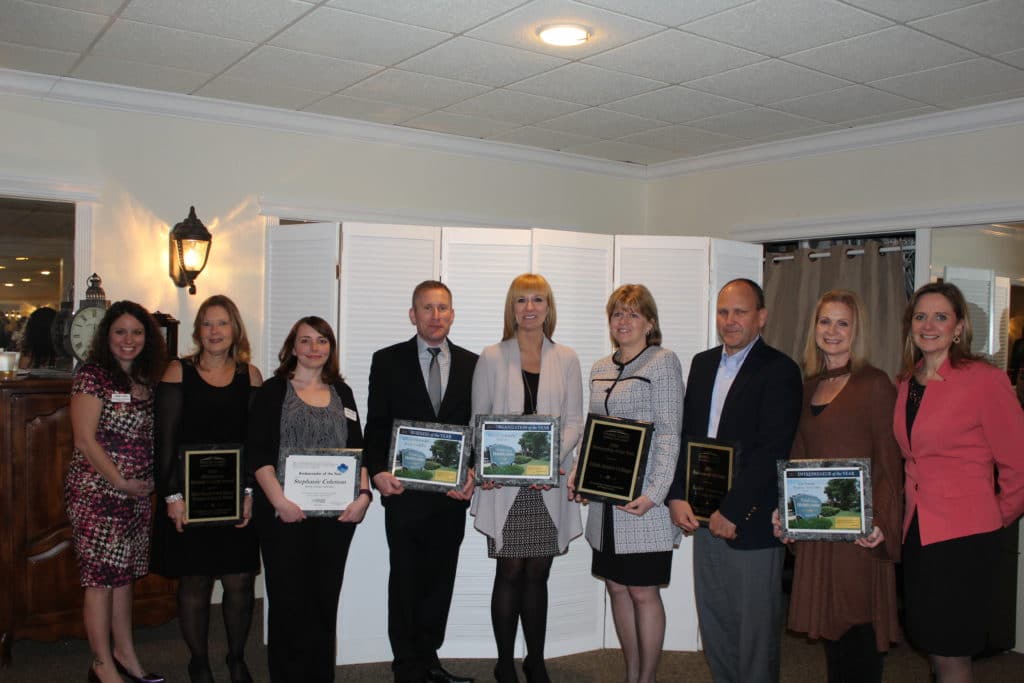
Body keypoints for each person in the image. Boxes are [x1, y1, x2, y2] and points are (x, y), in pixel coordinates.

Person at [667, 278, 802, 683]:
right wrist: (677, 495)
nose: (730, 320)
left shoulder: (780, 370)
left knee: (754, 632)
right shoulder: (703, 364)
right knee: (715, 621)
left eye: (740, 312)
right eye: (723, 312)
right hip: (701, 516)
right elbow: (686, 435)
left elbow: (772, 449)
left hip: (750, 520)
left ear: (761, 317)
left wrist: (732, 510)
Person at [893, 282, 1024, 683]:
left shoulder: (983, 379)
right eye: (920, 317)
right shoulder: (907, 382)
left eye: (940, 317)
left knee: (952, 650)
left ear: (959, 327)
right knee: (930, 641)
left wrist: (993, 517)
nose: (928, 325)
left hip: (965, 538)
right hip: (918, 530)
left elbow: (1019, 463)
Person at [770, 290, 902, 682]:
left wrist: (880, 522)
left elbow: (889, 464)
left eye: (843, 323)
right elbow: (798, 459)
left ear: (856, 331)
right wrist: (787, 512)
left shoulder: (874, 384)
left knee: (857, 630)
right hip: (819, 528)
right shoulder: (808, 386)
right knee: (832, 635)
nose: (832, 330)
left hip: (859, 534)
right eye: (825, 321)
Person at [470, 274, 584, 683]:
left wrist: (547, 461)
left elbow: (574, 422)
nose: (530, 308)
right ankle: (504, 662)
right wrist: (485, 465)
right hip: (503, 486)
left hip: (547, 485)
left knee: (538, 573)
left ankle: (535, 660)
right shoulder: (491, 356)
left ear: (548, 308)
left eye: (538, 300)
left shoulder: (566, 358)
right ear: (512, 308)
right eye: (521, 300)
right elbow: (479, 420)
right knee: (508, 571)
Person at [363, 280, 477, 683]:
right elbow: (376, 425)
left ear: (452, 314)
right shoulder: (387, 360)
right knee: (406, 580)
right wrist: (377, 472)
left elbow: (476, 428)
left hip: (451, 496)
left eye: (443, 308)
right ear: (413, 315)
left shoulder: (473, 364)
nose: (435, 316)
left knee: (440, 581)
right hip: (404, 494)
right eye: (427, 308)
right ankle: (406, 667)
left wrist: (472, 472)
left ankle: (429, 659)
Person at [247, 316, 370, 682]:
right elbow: (258, 453)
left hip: (335, 519)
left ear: (330, 347)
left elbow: (357, 449)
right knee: (288, 603)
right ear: (292, 347)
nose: (314, 348)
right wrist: (280, 502)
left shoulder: (342, 392)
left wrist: (364, 495)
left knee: (324, 602)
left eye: (322, 340)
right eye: (306, 340)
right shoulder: (274, 391)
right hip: (284, 516)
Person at [153, 295, 263, 683]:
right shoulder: (177, 372)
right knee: (195, 580)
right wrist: (171, 496)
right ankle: (198, 661)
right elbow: (165, 441)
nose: (215, 331)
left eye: (222, 323)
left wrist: (249, 493)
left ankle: (236, 658)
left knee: (239, 580)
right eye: (207, 323)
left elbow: (255, 441)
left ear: (235, 329)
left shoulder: (250, 376)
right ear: (198, 330)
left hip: (235, 498)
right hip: (187, 497)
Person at [581, 284, 683, 683]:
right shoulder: (599, 368)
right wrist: (579, 475)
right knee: (616, 588)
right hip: (605, 502)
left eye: (633, 313)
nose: (623, 321)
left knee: (643, 591)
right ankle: (631, 674)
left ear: (650, 323)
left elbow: (671, 433)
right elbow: (593, 432)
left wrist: (655, 494)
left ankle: (647, 678)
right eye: (617, 313)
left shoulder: (663, 362)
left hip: (644, 502)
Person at [64, 300, 167, 683]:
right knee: (100, 580)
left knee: (124, 578)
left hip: (136, 498)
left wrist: (141, 484)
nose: (129, 339)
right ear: (106, 335)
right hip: (97, 495)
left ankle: (125, 656)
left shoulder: (144, 379)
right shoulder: (92, 376)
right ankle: (101, 664)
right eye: (120, 331)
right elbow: (84, 440)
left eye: (137, 332)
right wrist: (120, 481)